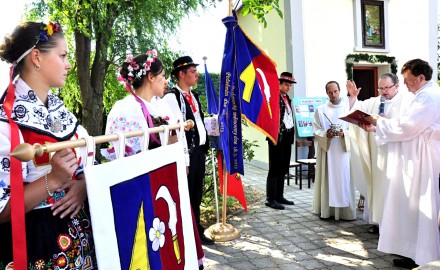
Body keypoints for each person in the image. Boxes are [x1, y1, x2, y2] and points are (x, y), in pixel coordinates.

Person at [0, 22, 96, 268]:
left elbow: (90, 165)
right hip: (37, 243)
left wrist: (83, 184)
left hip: (78, 235)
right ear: (36, 58)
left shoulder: (61, 112)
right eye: (63, 55)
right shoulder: (6, 123)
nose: (69, 64)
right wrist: (52, 181)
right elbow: (2, 212)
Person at [104, 50, 206, 269]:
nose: (166, 80)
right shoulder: (127, 109)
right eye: (161, 76)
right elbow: (129, 159)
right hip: (143, 191)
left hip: (164, 185)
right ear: (150, 77)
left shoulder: (159, 106)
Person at [360, 59, 440, 269]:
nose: (405, 85)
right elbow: (405, 125)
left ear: (421, 78)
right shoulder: (421, 95)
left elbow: (408, 127)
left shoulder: (429, 96)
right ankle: (415, 252)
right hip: (415, 155)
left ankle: (425, 255)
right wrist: (378, 127)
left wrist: (378, 122)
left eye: (409, 80)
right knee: (412, 207)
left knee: (421, 206)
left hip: (422, 157)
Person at [347, 73, 414, 233]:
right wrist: (353, 98)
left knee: (394, 189)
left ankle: (395, 227)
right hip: (377, 154)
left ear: (396, 86)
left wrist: (384, 123)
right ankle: (380, 222)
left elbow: (407, 126)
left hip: (397, 154)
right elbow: (356, 109)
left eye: (387, 88)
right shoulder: (375, 102)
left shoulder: (407, 102)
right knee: (379, 188)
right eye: (380, 88)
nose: (383, 91)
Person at [162, 56, 214, 245]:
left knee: (196, 194)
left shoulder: (193, 96)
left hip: (198, 152)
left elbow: (198, 121)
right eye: (192, 71)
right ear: (181, 74)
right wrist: (184, 158)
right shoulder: (172, 98)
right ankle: (188, 235)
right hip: (186, 155)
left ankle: (196, 231)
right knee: (187, 195)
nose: (196, 74)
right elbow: (175, 130)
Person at [313, 81, 356, 221]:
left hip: (343, 151)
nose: (333, 95)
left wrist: (345, 134)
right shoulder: (320, 110)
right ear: (326, 93)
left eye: (335, 91)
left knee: (344, 179)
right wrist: (327, 134)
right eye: (330, 92)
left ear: (340, 90)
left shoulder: (348, 107)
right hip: (328, 151)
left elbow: (355, 129)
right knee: (328, 178)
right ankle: (328, 211)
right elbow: (316, 129)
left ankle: (345, 213)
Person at [265, 72, 296, 210]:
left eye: (290, 85)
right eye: (286, 84)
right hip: (276, 138)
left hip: (287, 138)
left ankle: (279, 196)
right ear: (279, 84)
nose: (288, 87)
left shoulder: (287, 98)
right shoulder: (273, 98)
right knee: (274, 168)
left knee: (283, 168)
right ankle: (270, 198)